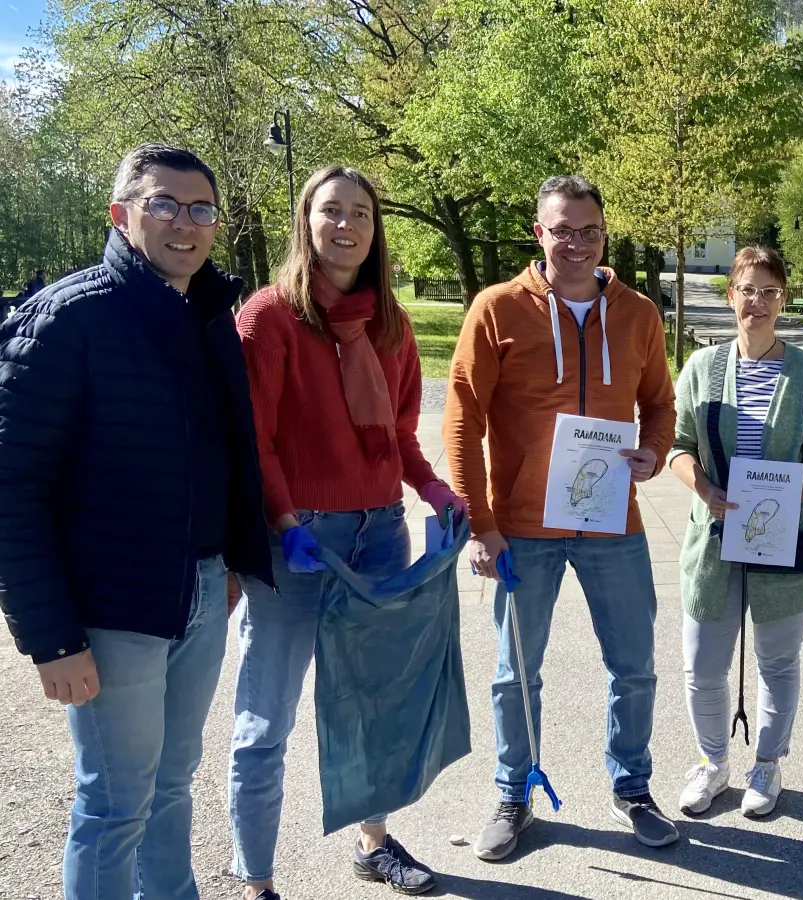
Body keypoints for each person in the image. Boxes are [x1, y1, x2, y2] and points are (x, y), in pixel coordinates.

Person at [0, 143, 273, 899]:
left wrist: (225, 561)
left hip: (200, 589)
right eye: (163, 203)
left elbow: (224, 452)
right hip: (110, 610)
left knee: (172, 785)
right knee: (115, 803)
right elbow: (12, 489)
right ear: (121, 215)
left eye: (201, 208)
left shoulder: (210, 315)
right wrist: (52, 638)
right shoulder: (68, 317)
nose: (185, 223)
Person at [229, 165, 463, 898]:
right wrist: (284, 520)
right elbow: (254, 442)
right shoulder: (267, 319)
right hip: (299, 540)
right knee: (265, 721)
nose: (346, 224)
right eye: (331, 210)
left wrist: (432, 490)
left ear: (375, 228)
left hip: (381, 534)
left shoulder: (387, 322)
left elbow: (398, 437)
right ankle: (257, 882)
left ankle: (373, 844)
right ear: (306, 221)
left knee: (372, 707)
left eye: (360, 212)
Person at [444, 175, 678, 859]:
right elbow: (463, 420)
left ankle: (631, 786)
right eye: (562, 229)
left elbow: (660, 404)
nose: (575, 242)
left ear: (604, 234)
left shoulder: (638, 313)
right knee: (516, 671)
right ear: (538, 232)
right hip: (522, 528)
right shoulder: (496, 309)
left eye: (589, 230)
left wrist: (655, 451)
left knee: (634, 667)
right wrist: (480, 522)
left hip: (614, 525)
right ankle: (515, 791)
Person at [668, 247, 803, 819]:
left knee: (777, 662)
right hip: (714, 537)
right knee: (701, 665)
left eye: (770, 291)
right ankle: (713, 761)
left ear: (783, 299)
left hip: (783, 539)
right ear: (731, 295)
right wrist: (706, 491)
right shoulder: (702, 368)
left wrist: (783, 497)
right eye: (748, 289)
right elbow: (679, 445)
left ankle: (767, 764)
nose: (758, 302)